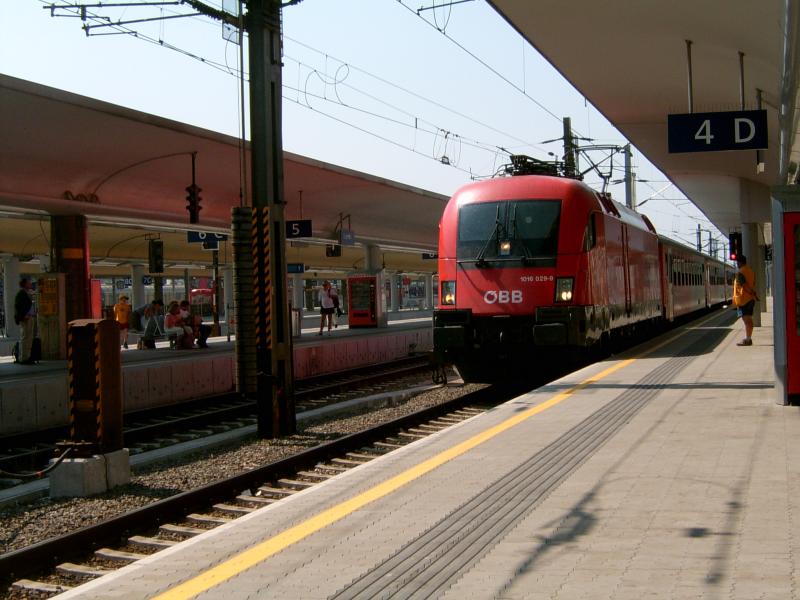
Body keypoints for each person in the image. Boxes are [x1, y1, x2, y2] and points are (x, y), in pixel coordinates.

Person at [732, 254, 758, 346]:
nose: (737, 264)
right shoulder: (750, 271)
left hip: (744, 300)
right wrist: (752, 293)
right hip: (749, 299)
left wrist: (751, 292)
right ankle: (748, 338)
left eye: (737, 262)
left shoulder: (740, 272)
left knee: (747, 320)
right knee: (748, 319)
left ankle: (748, 339)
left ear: (740, 262)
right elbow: (753, 283)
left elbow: (744, 285)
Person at [13, 277, 36, 365]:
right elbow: (18, 306)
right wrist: (23, 316)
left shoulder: (27, 293)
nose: (30, 284)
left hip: (30, 317)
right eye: (29, 283)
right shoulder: (21, 294)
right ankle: (23, 358)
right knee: (25, 338)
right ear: (25, 284)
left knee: (29, 338)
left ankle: (27, 356)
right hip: (26, 318)